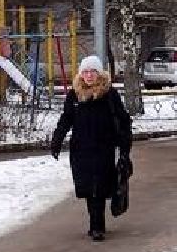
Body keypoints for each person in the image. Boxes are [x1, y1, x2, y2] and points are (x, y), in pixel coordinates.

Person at [49, 55, 133, 241]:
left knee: (99, 187)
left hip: (104, 148)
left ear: (99, 73)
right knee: (87, 187)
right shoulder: (75, 95)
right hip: (80, 150)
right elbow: (66, 119)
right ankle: (95, 223)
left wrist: (125, 148)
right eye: (85, 72)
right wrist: (56, 140)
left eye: (92, 71)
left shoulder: (109, 94)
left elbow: (123, 120)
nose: (88, 75)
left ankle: (97, 227)